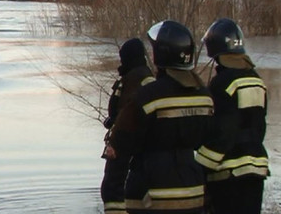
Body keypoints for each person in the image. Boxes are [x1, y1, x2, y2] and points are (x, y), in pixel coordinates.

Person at [110, 20, 213, 214]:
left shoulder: (146, 96)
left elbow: (119, 148)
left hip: (149, 198)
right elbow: (212, 145)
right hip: (193, 196)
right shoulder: (205, 97)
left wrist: (112, 200)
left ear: (161, 54)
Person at [195, 18, 269, 214]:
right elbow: (259, 127)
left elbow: (223, 132)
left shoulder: (222, 83)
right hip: (256, 169)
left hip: (229, 175)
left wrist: (199, 165)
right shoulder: (256, 80)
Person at [101, 38, 155, 214]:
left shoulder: (138, 79)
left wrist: (115, 142)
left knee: (113, 188)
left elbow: (130, 113)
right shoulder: (137, 76)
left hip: (125, 142)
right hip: (134, 143)